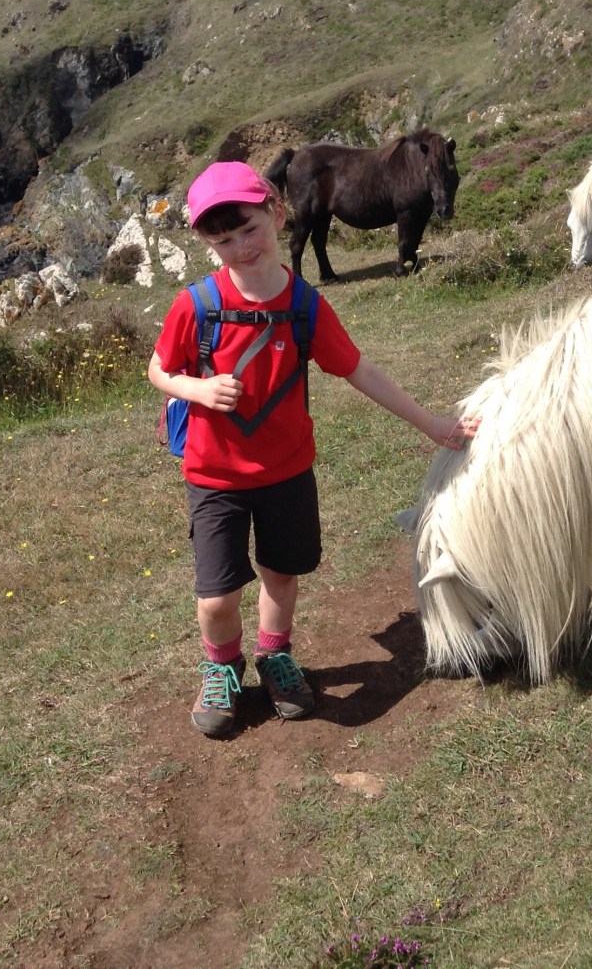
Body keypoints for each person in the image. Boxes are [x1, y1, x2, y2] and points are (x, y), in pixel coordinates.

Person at [147, 161, 477, 739]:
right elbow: (159, 369)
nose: (241, 248)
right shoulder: (195, 306)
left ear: (275, 212)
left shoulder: (305, 304)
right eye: (222, 240)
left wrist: (431, 424)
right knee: (216, 595)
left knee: (282, 573)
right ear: (206, 242)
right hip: (215, 476)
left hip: (287, 471)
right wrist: (196, 387)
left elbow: (359, 370)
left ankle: (275, 655)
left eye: (249, 229)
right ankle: (222, 666)